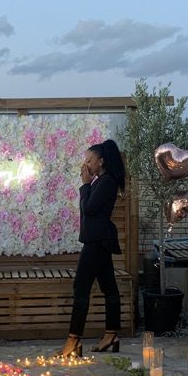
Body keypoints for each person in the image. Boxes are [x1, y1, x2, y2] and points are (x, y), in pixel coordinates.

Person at [57, 139, 126, 357]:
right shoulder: (102, 180)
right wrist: (88, 184)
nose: (85, 165)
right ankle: (111, 334)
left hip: (97, 241)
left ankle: (74, 340)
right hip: (98, 239)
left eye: (89, 160)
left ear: (101, 161)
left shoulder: (105, 181)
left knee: (81, 288)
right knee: (109, 287)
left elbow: (89, 209)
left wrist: (85, 184)